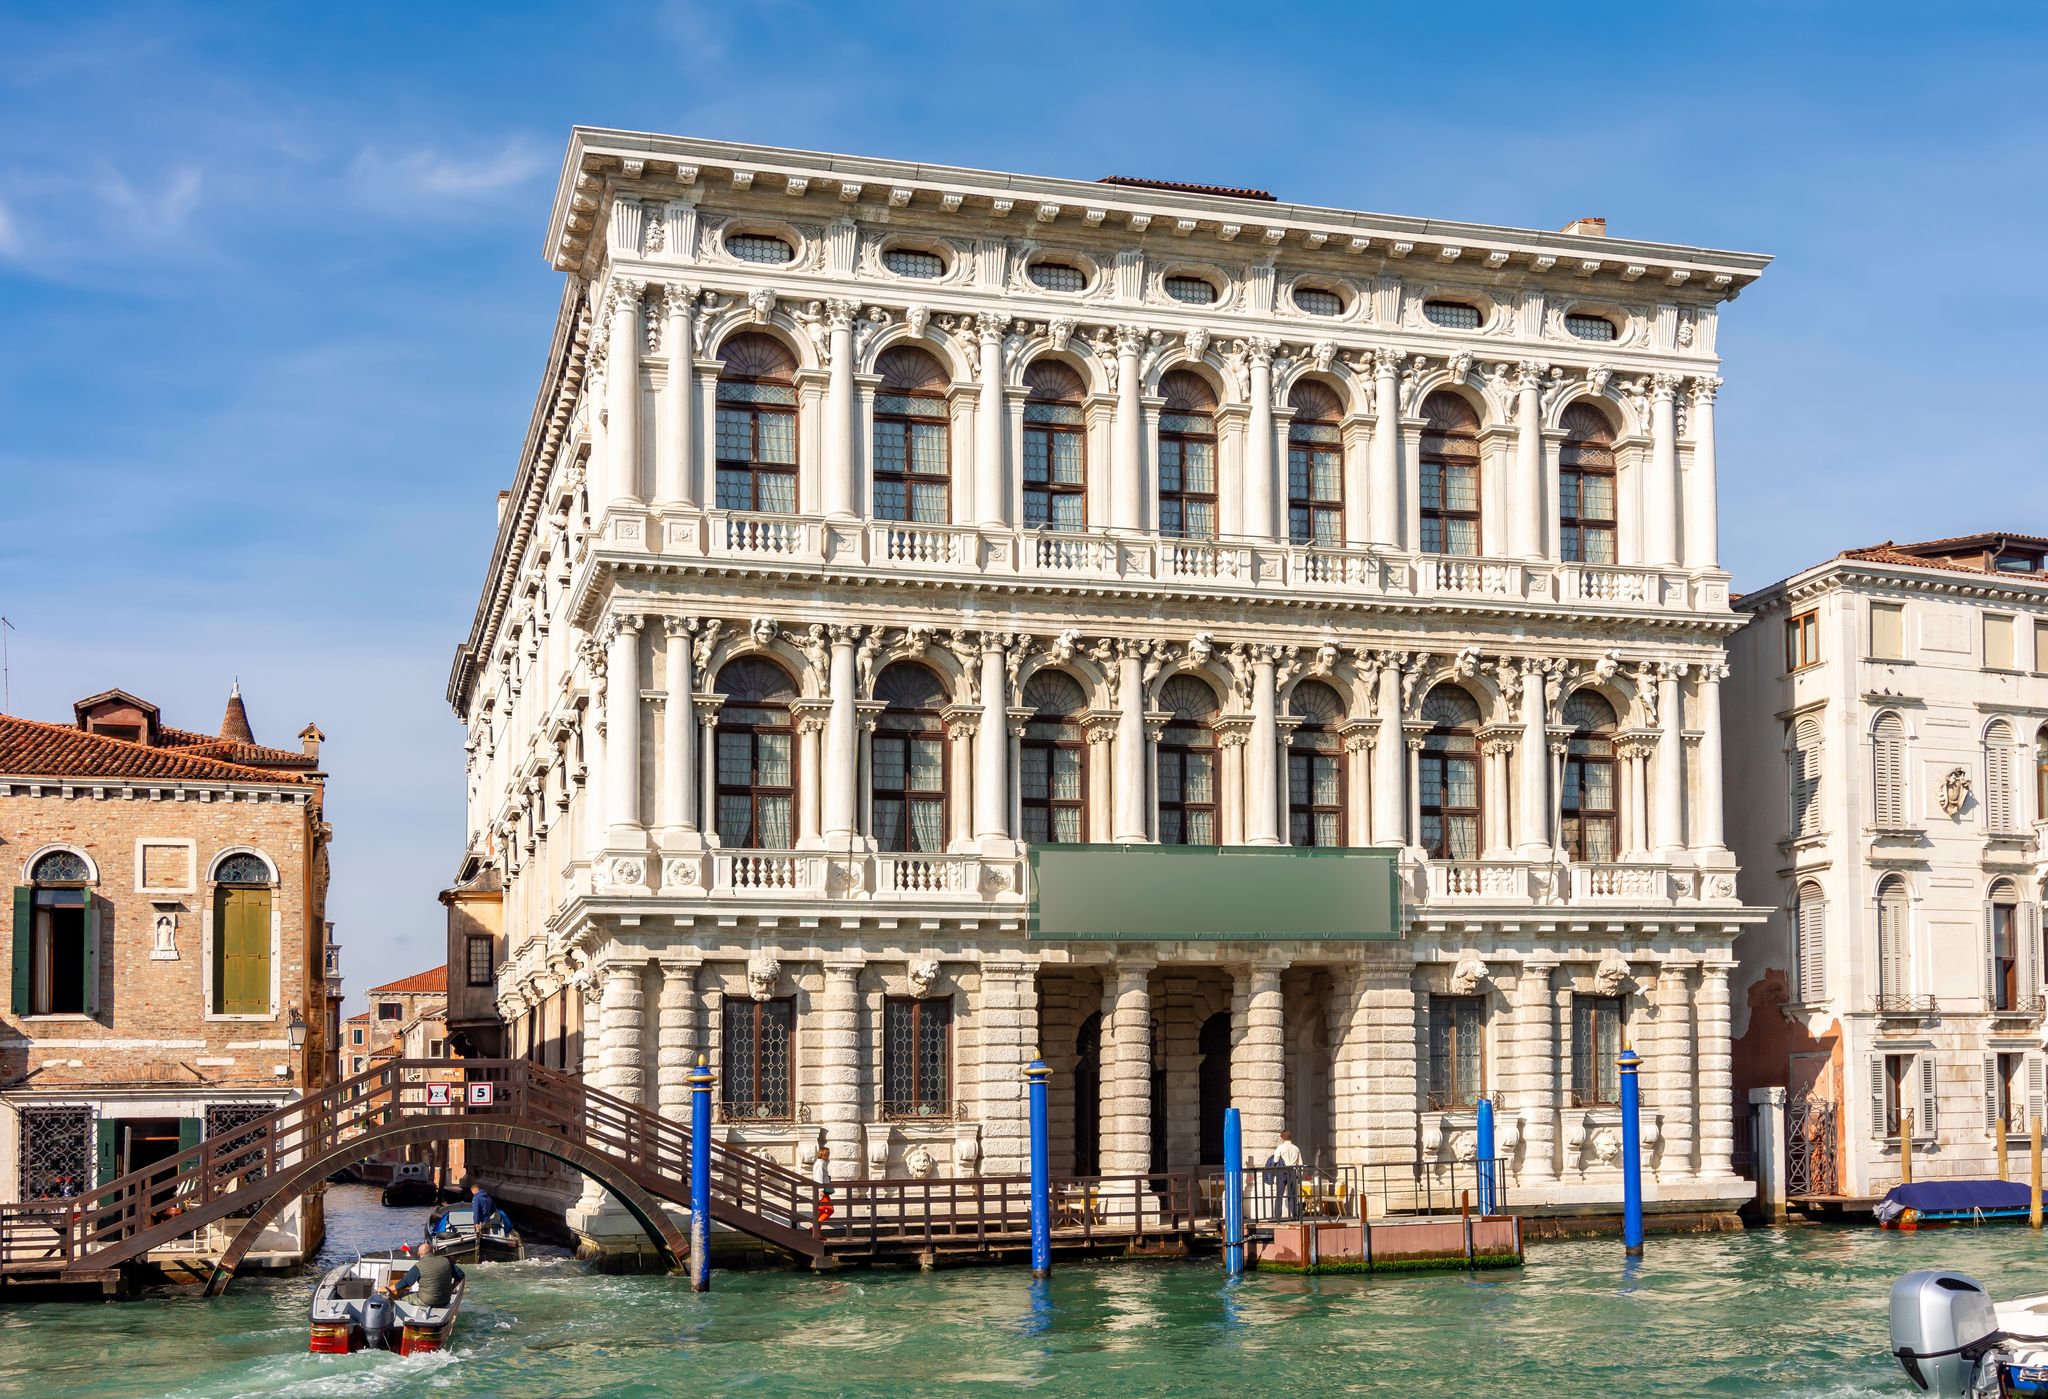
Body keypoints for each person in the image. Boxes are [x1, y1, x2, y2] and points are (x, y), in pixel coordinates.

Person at [387, 1237, 464, 1309]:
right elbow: (461, 1275)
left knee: (401, 1296)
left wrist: (388, 1289)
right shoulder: (446, 1261)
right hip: (445, 1300)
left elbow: (406, 1282)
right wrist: (452, 1288)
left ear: (419, 1254)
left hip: (427, 1301)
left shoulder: (419, 1266)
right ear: (433, 1251)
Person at [1266, 1131, 1305, 1220]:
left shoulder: (1280, 1147)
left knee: (1279, 1195)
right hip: (1293, 1172)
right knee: (1293, 1195)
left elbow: (1275, 1160)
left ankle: (1278, 1217)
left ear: (1282, 1138)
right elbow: (1300, 1163)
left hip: (1282, 1171)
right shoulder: (1296, 1148)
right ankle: (1295, 1216)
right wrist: (1300, 1175)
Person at [812, 1145, 835, 1231]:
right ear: (825, 1154)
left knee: (822, 1211)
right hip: (822, 1191)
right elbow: (819, 1177)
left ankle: (816, 1231)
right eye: (828, 1154)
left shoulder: (822, 1163)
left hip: (823, 1190)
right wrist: (821, 1190)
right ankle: (815, 1229)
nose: (829, 1155)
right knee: (829, 1210)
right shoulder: (820, 1164)